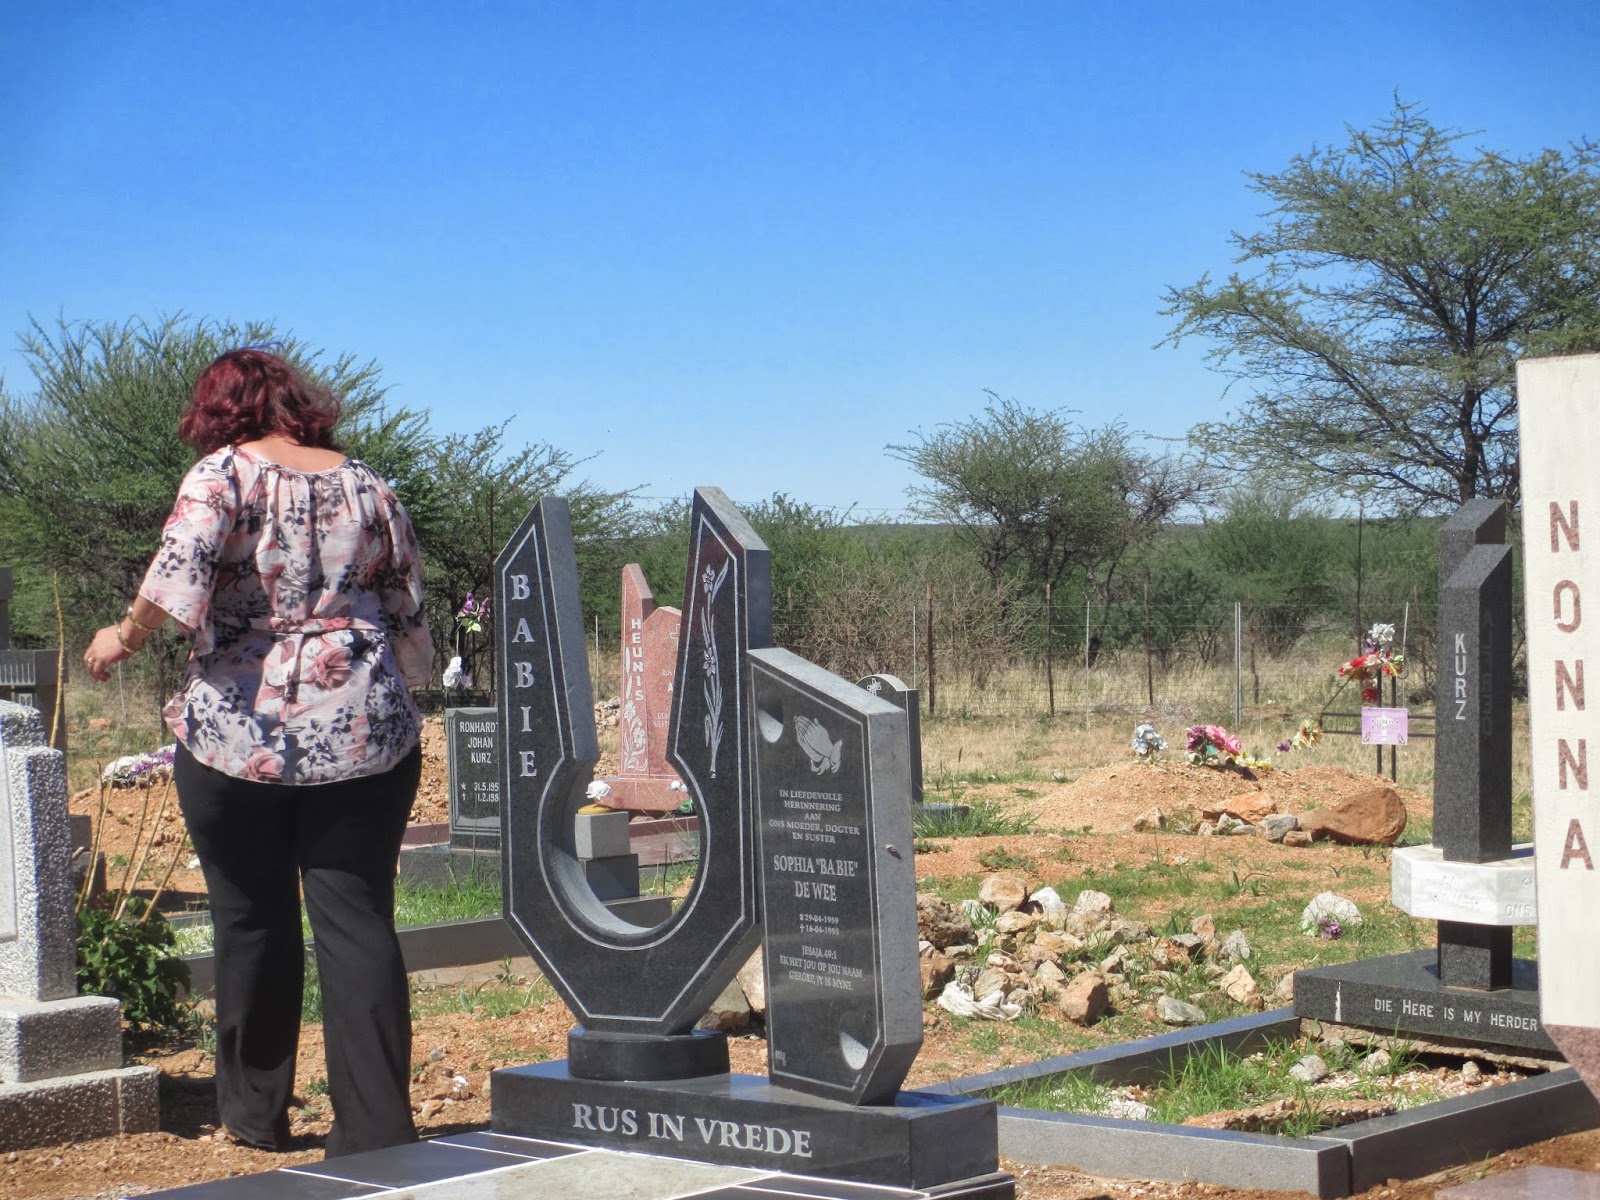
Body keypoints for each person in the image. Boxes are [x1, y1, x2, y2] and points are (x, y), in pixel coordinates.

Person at [81, 347, 433, 1156]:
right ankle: (377, 1130)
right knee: (357, 921)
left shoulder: (221, 474)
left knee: (251, 922)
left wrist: (121, 637)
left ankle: (254, 1115)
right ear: (296, 403)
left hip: (239, 735)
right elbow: (406, 602)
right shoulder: (368, 481)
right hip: (363, 733)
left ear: (220, 408)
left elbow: (178, 577)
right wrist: (406, 688)